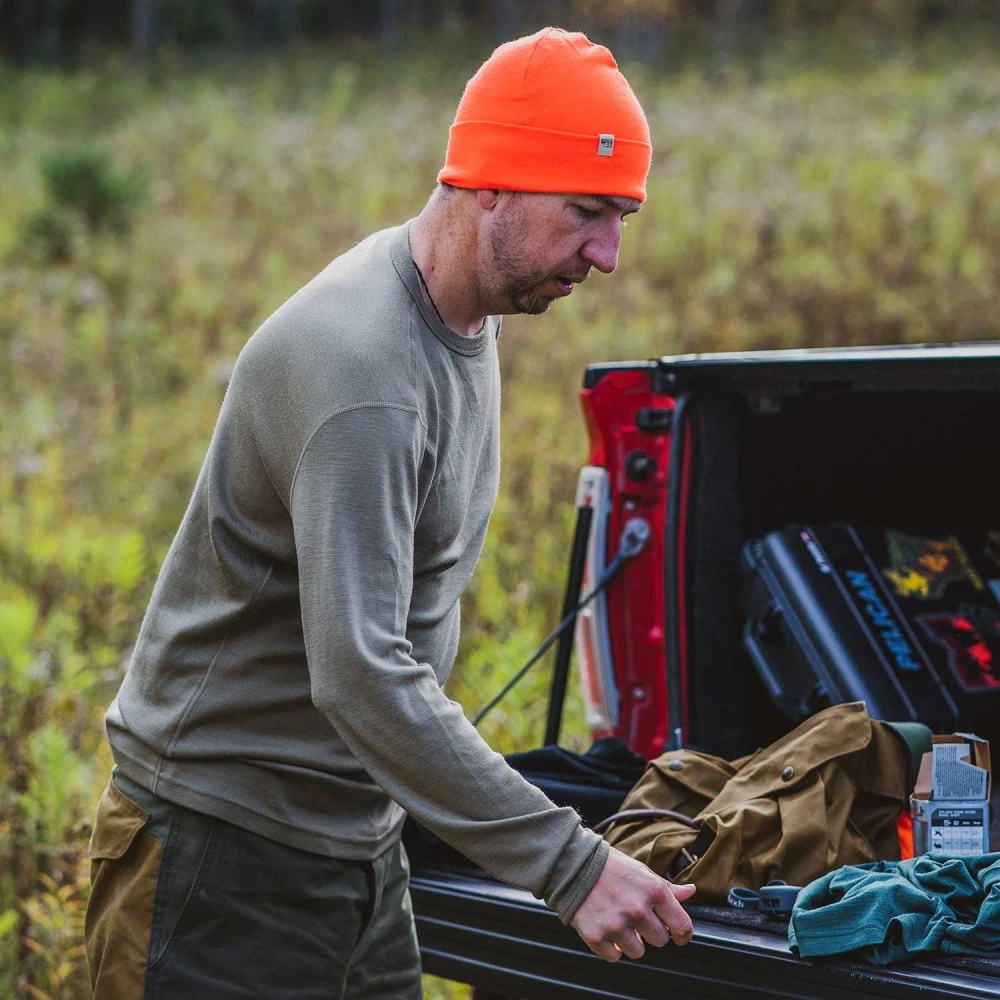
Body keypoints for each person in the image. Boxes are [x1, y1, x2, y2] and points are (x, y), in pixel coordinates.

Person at [84, 26, 696, 999]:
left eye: (619, 217)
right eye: (586, 212)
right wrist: (571, 866)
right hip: (220, 859)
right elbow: (361, 672)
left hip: (359, 851)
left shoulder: (466, 315)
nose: (608, 254)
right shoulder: (362, 368)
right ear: (490, 184)